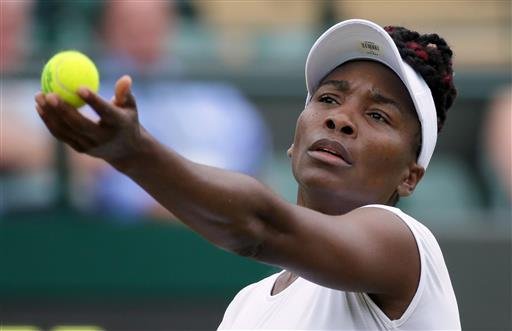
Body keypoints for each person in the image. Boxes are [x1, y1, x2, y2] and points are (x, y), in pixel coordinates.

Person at [34, 19, 460, 329]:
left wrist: (134, 154)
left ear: (410, 177)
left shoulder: (404, 248)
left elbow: (259, 225)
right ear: (294, 141)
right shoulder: (246, 307)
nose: (341, 119)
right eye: (328, 99)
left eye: (377, 115)